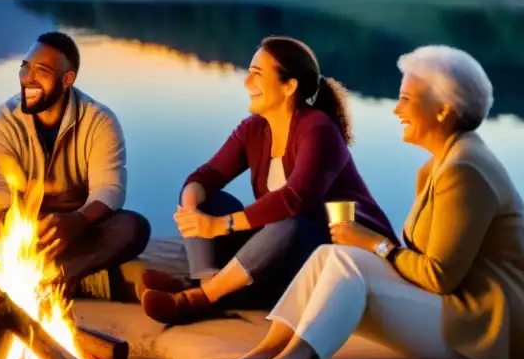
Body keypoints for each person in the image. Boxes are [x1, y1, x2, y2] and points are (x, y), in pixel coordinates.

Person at [204, 45, 524, 359]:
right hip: (457, 307)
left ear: (443, 110)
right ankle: (268, 354)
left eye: (406, 98)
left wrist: (375, 244)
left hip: (483, 330)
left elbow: (438, 276)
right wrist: (371, 249)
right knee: (329, 254)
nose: (396, 109)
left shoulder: (465, 171)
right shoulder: (443, 163)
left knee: (345, 260)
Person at [140, 36, 396, 324]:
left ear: (289, 86)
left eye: (257, 74)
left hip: (337, 252)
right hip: (283, 251)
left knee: (291, 219)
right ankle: (207, 285)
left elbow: (296, 198)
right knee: (206, 199)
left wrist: (220, 225)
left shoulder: (318, 129)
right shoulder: (255, 129)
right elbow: (207, 176)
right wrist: (191, 210)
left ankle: (202, 297)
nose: (247, 83)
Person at [0, 31, 151, 300]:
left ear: (67, 79)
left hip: (79, 228)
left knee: (133, 227)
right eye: (25, 67)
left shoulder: (99, 120)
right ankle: (76, 279)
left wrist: (77, 221)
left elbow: (110, 189)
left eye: (42, 70)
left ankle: (51, 277)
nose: (28, 78)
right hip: (23, 231)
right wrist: (20, 231)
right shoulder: (3, 120)